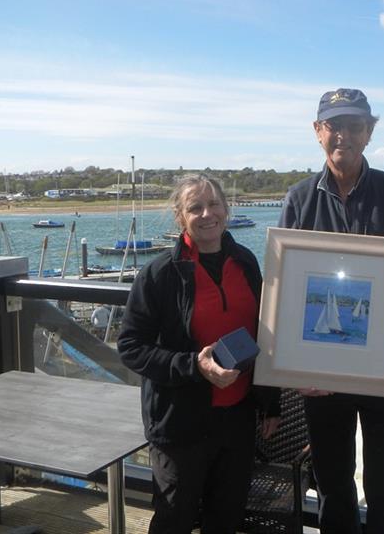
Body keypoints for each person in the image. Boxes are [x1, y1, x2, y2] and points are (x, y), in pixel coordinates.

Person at [279, 88, 384, 533]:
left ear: (369, 132)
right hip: (321, 373)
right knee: (332, 481)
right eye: (333, 125)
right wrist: (293, 365)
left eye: (354, 125)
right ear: (317, 132)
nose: (343, 135)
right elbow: (286, 287)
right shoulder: (299, 198)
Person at [117, 174, 280, 534]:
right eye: (195, 207)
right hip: (181, 423)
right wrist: (194, 366)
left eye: (214, 204)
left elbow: (263, 335)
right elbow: (130, 346)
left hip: (237, 419)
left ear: (227, 208)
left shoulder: (246, 263)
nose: (207, 214)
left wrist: (270, 402)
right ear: (180, 217)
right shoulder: (159, 274)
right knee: (175, 519)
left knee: (226, 516)